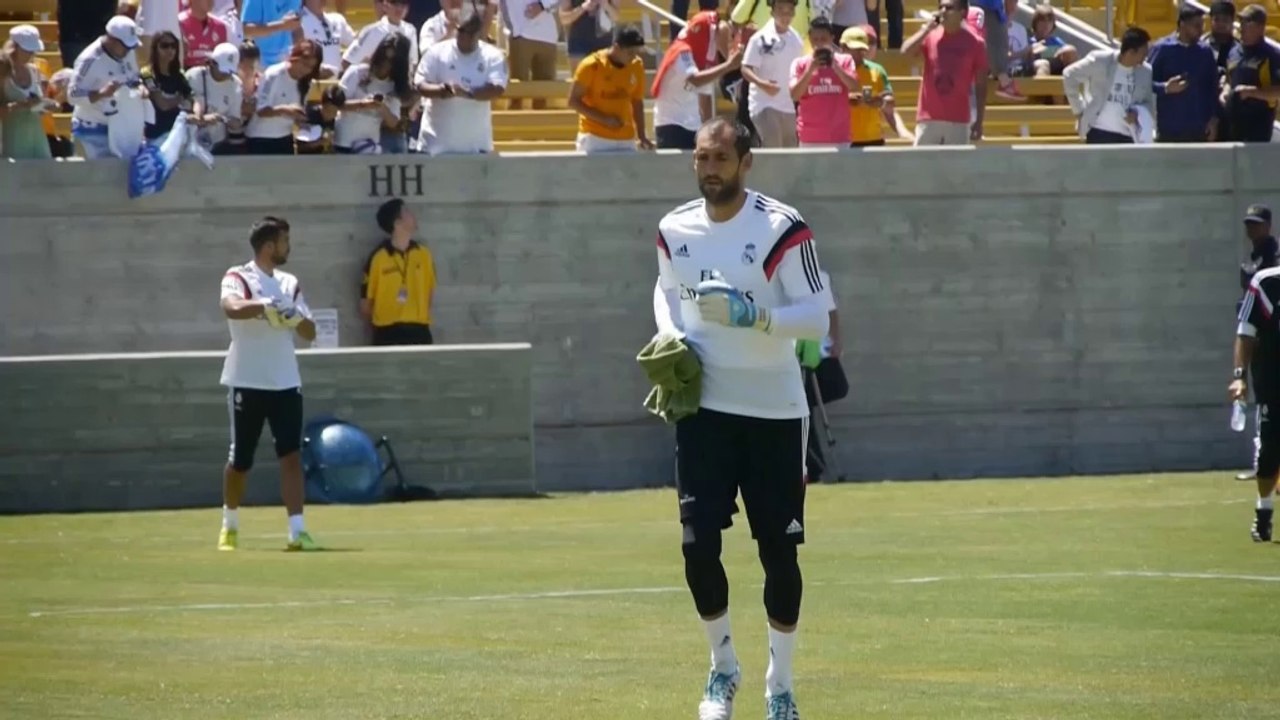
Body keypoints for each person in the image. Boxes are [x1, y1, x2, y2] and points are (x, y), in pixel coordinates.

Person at [653, 117, 832, 720]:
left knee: (779, 556)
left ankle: (779, 685)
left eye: (721, 159)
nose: (710, 170)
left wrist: (756, 317)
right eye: (702, 159)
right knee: (697, 548)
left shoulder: (783, 226)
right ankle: (722, 668)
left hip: (776, 414)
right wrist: (669, 335)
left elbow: (817, 318)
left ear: (746, 162)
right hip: (703, 409)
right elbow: (667, 290)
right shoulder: (674, 227)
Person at [217, 216, 320, 552]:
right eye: (284, 241)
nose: (289, 247)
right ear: (269, 245)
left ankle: (297, 531)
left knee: (291, 454)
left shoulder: (290, 282)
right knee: (241, 459)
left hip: (286, 381)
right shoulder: (238, 276)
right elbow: (230, 307)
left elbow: (310, 332)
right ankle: (229, 524)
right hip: (247, 379)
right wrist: (263, 306)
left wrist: (294, 315)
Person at [1232, 204, 1280, 543]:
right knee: (1269, 455)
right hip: (1272, 378)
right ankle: (1263, 513)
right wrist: (1239, 375)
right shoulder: (1266, 281)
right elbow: (1245, 331)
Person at [651, 5, 743, 150]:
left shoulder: (702, 61)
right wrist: (728, 66)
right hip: (672, 124)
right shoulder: (682, 51)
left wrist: (708, 132)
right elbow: (694, 79)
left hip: (693, 124)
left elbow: (705, 99)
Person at [901, 0, 989, 145]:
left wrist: (979, 121)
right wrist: (925, 30)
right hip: (928, 119)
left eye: (949, 8)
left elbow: (981, 85)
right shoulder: (930, 36)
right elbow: (905, 53)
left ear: (962, 13)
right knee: (922, 166)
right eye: (940, 7)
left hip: (958, 120)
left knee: (955, 167)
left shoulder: (976, 43)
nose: (943, 11)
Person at [1061, 26, 1156, 144]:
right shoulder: (1100, 60)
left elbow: (1149, 103)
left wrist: (1138, 115)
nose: (1144, 59)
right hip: (1098, 131)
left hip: (1129, 136)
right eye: (1143, 54)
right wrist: (1079, 110)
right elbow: (1069, 75)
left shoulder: (1146, 71)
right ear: (1131, 52)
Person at [361, 199, 437, 345]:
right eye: (407, 212)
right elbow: (365, 305)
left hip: (419, 332)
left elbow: (430, 293)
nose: (412, 215)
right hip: (388, 334)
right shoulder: (378, 258)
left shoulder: (424, 254)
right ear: (397, 223)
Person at [568, 24, 653, 153]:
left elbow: (637, 101)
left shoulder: (636, 65)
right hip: (595, 137)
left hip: (626, 137)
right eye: (630, 53)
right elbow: (573, 101)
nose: (633, 57)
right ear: (617, 47)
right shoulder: (591, 65)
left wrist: (641, 135)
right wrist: (604, 119)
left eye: (636, 53)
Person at [741, 0, 806, 148]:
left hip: (788, 105)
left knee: (791, 151)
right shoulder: (759, 38)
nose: (785, 14)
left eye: (789, 10)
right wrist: (762, 84)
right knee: (773, 146)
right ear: (772, 11)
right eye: (781, 9)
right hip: (764, 104)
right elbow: (745, 68)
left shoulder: (796, 39)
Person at [1147, 6, 1218, 142]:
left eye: (1202, 25)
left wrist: (1213, 119)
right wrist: (1166, 88)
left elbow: (1212, 88)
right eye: (1196, 25)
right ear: (1182, 24)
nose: (1201, 30)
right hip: (1169, 130)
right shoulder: (1162, 49)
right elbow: (1144, 83)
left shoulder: (1205, 52)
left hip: (1199, 130)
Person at [789, 17, 859, 148]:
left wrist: (836, 67)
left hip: (840, 137)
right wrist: (810, 70)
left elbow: (854, 86)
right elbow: (794, 95)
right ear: (809, 39)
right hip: (809, 138)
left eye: (824, 39)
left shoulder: (845, 60)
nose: (819, 44)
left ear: (832, 38)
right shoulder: (799, 64)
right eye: (815, 39)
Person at [1222, 4, 1280, 143]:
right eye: (1241, 22)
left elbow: (1277, 91)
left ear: (1260, 28)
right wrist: (1225, 92)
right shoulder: (1234, 52)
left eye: (1246, 23)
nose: (1241, 27)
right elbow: (1229, 81)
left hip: (1258, 125)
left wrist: (1251, 92)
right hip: (1232, 121)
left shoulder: (1271, 55)